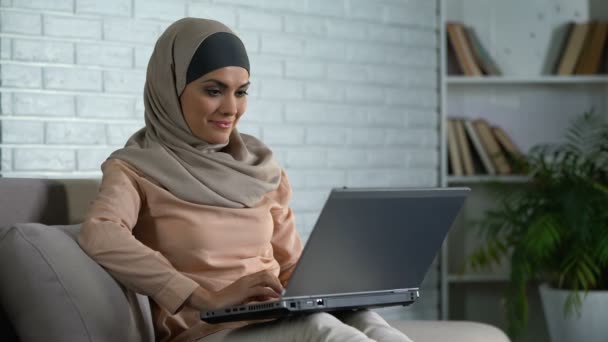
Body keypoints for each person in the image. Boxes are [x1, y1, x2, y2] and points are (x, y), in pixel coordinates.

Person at [78, 17, 412, 342]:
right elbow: (101, 233)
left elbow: (291, 267)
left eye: (241, 92)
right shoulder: (134, 168)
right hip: (205, 331)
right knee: (322, 331)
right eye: (214, 90)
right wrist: (204, 297)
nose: (231, 108)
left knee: (365, 319)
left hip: (272, 320)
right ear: (170, 88)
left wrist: (336, 291)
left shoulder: (260, 168)